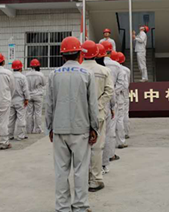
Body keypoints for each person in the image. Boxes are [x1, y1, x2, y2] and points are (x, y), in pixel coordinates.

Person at [45, 36, 99, 212]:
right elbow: (92, 104)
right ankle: (80, 206)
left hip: (59, 128)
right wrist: (94, 127)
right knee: (80, 170)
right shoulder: (87, 74)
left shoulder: (53, 75)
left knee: (61, 170)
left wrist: (50, 127)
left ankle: (62, 207)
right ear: (79, 54)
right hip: (81, 128)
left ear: (62, 55)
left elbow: (49, 103)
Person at [81, 40, 113, 193]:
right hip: (98, 114)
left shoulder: (78, 69)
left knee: (82, 148)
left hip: (80, 114)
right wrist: (98, 104)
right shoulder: (104, 71)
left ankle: (83, 179)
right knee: (97, 147)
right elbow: (109, 91)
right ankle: (95, 180)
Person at [102, 41, 122, 174]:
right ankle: (107, 158)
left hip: (96, 101)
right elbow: (121, 84)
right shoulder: (116, 66)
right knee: (109, 131)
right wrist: (112, 99)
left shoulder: (95, 65)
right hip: (110, 100)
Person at [9, 60, 30, 141]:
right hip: (20, 100)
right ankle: (20, 135)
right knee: (21, 118)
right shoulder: (22, 77)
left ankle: (10, 135)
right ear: (20, 68)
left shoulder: (10, 76)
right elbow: (25, 90)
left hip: (11, 100)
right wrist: (27, 98)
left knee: (11, 119)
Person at [113, 51, 130, 149]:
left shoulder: (106, 66)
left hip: (109, 94)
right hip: (121, 94)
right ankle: (123, 136)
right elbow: (125, 85)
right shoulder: (125, 70)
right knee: (122, 116)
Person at [26, 59, 47, 134]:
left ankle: (29, 130)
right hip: (38, 95)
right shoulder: (40, 74)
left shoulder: (27, 74)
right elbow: (44, 84)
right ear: (38, 66)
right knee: (38, 113)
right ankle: (38, 129)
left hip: (29, 95)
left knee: (29, 113)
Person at [118, 52, 131, 140]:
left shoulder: (113, 68)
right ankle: (126, 132)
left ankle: (119, 133)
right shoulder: (126, 70)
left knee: (118, 116)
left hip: (117, 92)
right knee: (125, 113)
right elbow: (127, 82)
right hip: (125, 92)